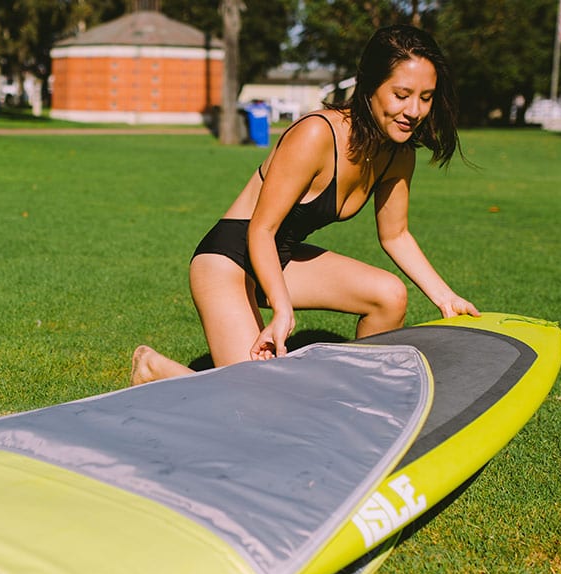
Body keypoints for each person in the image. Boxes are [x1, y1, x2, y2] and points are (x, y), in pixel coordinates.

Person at [130, 24, 480, 386]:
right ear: (370, 86)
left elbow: (396, 234)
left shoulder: (399, 155)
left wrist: (446, 297)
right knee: (256, 402)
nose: (414, 110)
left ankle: (356, 396)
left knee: (389, 295)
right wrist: (283, 310)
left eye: (426, 97)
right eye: (401, 94)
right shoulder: (316, 134)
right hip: (228, 260)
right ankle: (156, 369)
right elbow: (261, 229)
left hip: (279, 258)